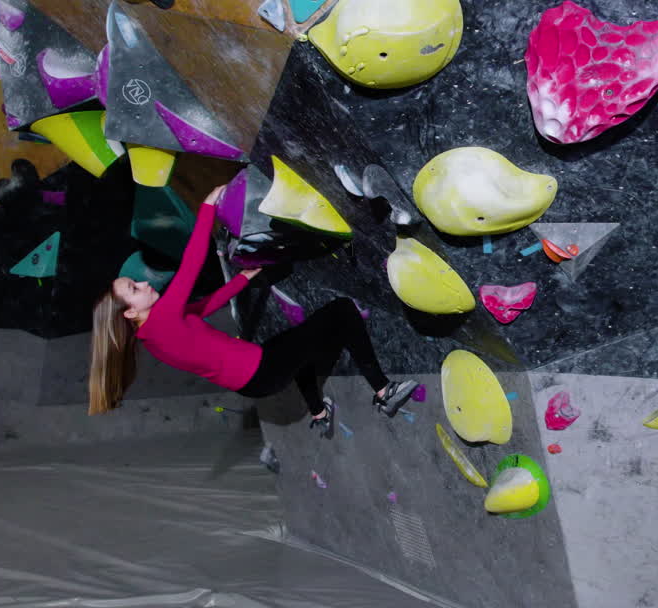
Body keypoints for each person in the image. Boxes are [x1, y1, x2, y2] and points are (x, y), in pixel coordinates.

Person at [89, 183, 418, 434]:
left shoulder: (152, 336)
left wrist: (242, 280)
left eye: (136, 282)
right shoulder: (160, 320)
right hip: (261, 370)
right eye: (134, 289)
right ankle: (384, 390)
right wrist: (207, 207)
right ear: (129, 313)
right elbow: (190, 264)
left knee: (294, 347)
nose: (144, 284)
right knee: (342, 312)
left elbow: (201, 309)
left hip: (252, 380)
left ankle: (318, 413)